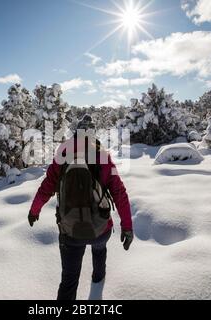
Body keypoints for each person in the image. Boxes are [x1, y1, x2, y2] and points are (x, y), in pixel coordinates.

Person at [28, 114, 133, 300]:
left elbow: (47, 186)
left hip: (70, 230)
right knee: (99, 250)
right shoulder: (102, 155)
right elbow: (119, 192)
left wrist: (34, 210)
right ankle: (98, 280)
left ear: (76, 133)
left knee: (69, 279)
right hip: (101, 228)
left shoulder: (63, 153)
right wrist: (127, 227)